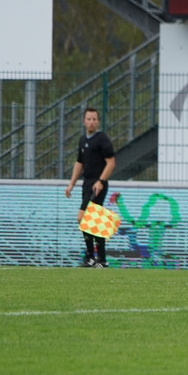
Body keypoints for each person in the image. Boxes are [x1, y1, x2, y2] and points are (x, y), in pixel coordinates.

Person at [64, 107, 116, 267]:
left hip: (97, 185)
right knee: (95, 220)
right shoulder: (83, 140)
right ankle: (101, 259)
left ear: (98, 121)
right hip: (87, 184)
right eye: (89, 119)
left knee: (82, 217)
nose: (92, 122)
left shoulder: (102, 139)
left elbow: (111, 163)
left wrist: (101, 181)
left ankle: (91, 257)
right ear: (84, 121)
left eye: (94, 119)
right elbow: (79, 163)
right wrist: (71, 183)